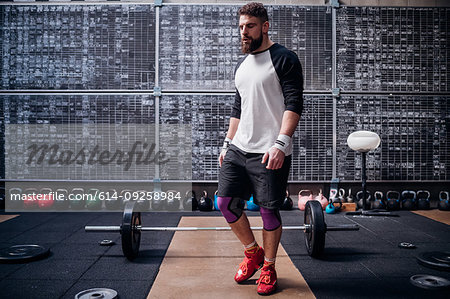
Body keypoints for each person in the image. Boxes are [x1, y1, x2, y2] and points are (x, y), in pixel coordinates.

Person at [217, 2, 303, 296]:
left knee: (269, 211)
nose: (244, 32)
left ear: (265, 26)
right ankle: (252, 252)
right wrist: (228, 143)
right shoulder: (242, 66)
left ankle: (268, 266)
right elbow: (238, 109)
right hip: (239, 148)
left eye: (250, 26)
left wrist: (282, 143)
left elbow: (294, 104)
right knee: (226, 203)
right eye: (241, 27)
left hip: (269, 150)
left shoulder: (285, 59)